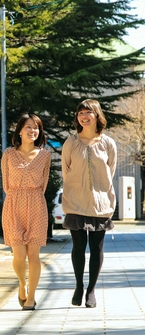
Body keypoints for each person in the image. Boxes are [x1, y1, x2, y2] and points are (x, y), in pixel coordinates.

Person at [62, 99, 116, 308]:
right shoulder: (71, 143)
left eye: (88, 112)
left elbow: (109, 172)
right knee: (78, 246)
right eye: (80, 113)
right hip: (75, 201)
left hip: (100, 204)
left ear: (97, 116)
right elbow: (66, 171)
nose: (83, 116)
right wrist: (78, 188)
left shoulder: (108, 143)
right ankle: (78, 285)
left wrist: (99, 191)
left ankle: (92, 289)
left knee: (97, 247)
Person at [1, 113, 51, 311]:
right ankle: (22, 284)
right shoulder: (8, 154)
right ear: (20, 130)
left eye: (36, 127)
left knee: (34, 255)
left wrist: (32, 196)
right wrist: (17, 196)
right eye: (28, 127)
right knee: (19, 254)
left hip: (37, 204)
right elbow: (5, 183)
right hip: (13, 203)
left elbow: (44, 183)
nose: (33, 131)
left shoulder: (45, 155)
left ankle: (31, 297)